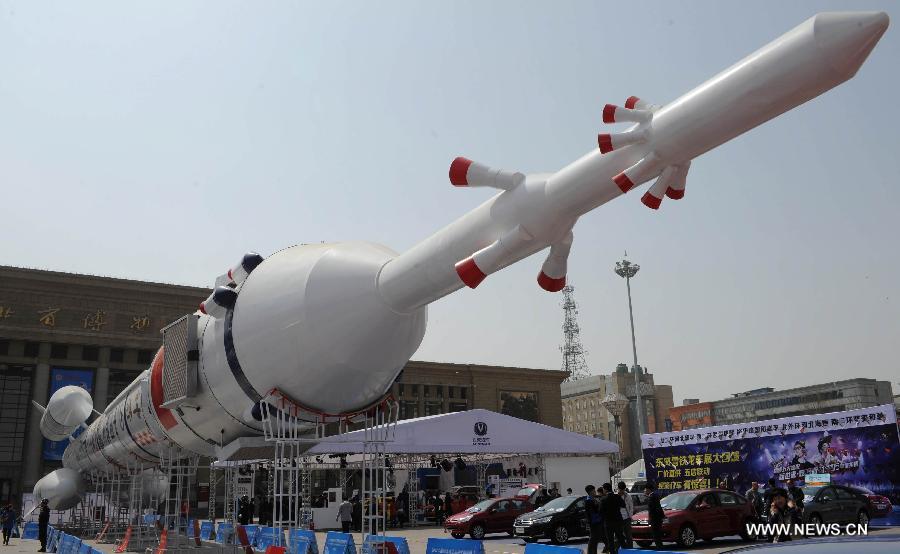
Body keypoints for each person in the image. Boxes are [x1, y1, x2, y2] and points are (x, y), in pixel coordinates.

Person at [599, 483, 627, 554]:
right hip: (618, 521)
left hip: (608, 522)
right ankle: (625, 552)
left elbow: (600, 512)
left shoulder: (603, 499)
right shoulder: (617, 496)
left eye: (603, 489)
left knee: (610, 541)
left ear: (605, 489)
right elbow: (623, 505)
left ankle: (612, 552)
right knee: (621, 538)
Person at [583, 486, 606, 554]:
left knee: (595, 539)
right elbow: (594, 511)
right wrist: (598, 505)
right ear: (590, 492)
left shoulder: (593, 499)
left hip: (597, 521)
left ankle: (593, 552)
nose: (595, 492)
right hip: (594, 522)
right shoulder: (588, 501)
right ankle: (590, 552)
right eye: (594, 490)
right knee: (593, 538)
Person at [644, 484, 664, 550]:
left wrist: (650, 520)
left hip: (654, 520)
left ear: (648, 489)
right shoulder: (654, 496)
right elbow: (659, 507)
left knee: (656, 536)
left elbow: (652, 509)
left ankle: (659, 549)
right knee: (658, 536)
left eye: (645, 489)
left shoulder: (651, 497)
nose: (644, 490)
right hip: (658, 519)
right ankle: (660, 548)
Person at [617, 482, 634, 549]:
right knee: (619, 535)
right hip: (618, 519)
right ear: (618, 488)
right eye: (620, 490)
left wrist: (630, 516)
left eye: (623, 490)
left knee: (628, 536)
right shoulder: (616, 496)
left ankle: (630, 550)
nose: (621, 491)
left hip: (627, 518)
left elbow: (631, 506)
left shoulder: (628, 496)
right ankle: (620, 550)